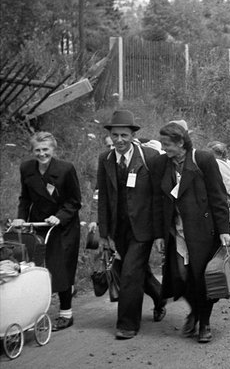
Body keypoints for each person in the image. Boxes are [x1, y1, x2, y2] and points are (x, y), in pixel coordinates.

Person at [150, 121, 230, 343]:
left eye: (168, 144)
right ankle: (195, 310)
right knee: (180, 277)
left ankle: (204, 322)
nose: (164, 148)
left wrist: (224, 230)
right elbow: (158, 201)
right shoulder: (161, 164)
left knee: (202, 278)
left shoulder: (203, 160)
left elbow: (218, 195)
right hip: (176, 232)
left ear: (180, 142)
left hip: (203, 231)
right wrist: (159, 234)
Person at [96, 110, 165, 340]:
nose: (119, 140)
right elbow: (104, 197)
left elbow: (158, 197)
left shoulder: (150, 157)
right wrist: (104, 232)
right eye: (115, 135)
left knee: (129, 274)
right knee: (137, 273)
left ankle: (127, 324)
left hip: (143, 229)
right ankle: (159, 296)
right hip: (119, 229)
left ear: (133, 134)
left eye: (124, 135)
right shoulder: (104, 159)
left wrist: (159, 233)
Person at [12, 131, 82, 331]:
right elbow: (25, 198)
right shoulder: (26, 168)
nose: (42, 154)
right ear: (32, 151)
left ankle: (66, 313)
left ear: (53, 149)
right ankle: (32, 310)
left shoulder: (66, 169)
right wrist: (21, 218)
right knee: (35, 267)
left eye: (46, 150)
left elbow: (75, 201)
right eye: (37, 150)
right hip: (39, 224)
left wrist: (59, 217)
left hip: (63, 225)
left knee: (61, 266)